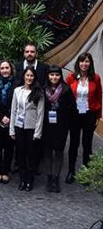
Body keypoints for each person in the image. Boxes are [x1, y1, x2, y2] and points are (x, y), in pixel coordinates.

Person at [65, 52, 102, 183]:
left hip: (90, 114)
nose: (84, 64)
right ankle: (71, 171)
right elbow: (66, 96)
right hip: (74, 115)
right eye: (82, 61)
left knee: (87, 144)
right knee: (73, 143)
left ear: (90, 63)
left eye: (87, 61)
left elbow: (99, 97)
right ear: (78, 63)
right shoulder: (71, 78)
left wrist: (99, 115)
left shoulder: (96, 78)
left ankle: (87, 173)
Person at [43, 65, 77, 193]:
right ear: (48, 76)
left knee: (58, 152)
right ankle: (49, 176)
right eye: (51, 75)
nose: (54, 77)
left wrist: (69, 126)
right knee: (47, 151)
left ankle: (56, 178)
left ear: (60, 76)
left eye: (56, 75)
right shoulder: (43, 89)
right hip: (46, 125)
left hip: (61, 127)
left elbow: (72, 110)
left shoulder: (66, 90)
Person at [10, 67, 44, 191]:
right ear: (23, 76)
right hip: (19, 126)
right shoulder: (17, 91)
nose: (29, 78)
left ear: (34, 78)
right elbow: (13, 110)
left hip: (32, 127)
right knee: (21, 154)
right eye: (27, 75)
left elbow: (40, 114)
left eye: (31, 76)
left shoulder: (38, 92)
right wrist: (11, 130)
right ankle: (22, 179)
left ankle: (30, 180)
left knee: (31, 155)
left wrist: (38, 132)